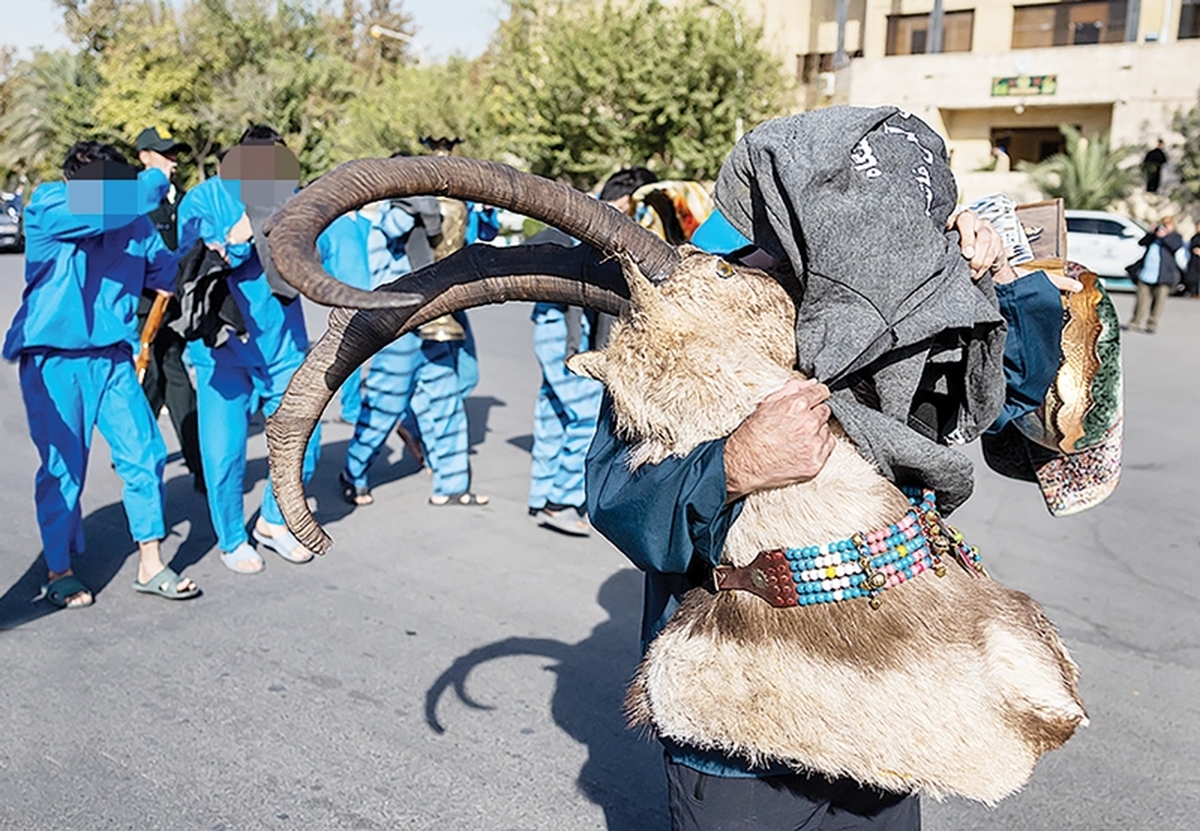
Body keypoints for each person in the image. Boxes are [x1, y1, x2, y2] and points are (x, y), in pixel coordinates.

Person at [585, 108, 1074, 831]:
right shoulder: (691, 318)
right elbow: (616, 495)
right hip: (744, 725)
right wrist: (734, 464)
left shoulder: (914, 310)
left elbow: (1032, 415)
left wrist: (1003, 279)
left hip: (888, 699)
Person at [4, 141, 200, 608]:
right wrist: (153, 176)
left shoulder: (133, 221)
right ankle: (59, 570)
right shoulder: (50, 204)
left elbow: (163, 274)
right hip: (54, 361)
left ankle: (150, 562)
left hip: (111, 358)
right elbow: (118, 206)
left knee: (145, 453)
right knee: (63, 467)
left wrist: (202, 241)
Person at [177, 124, 320, 573]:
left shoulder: (291, 195)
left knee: (304, 444)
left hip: (282, 346)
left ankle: (274, 523)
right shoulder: (205, 198)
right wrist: (240, 235)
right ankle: (232, 538)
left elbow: (319, 255)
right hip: (223, 350)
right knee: (224, 457)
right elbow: (189, 264)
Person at [525, 167, 658, 536]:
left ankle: (541, 494)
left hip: (557, 323)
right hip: (562, 325)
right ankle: (560, 502)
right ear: (629, 200)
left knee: (553, 409)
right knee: (584, 414)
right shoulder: (596, 222)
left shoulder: (591, 215)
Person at [339, 192, 488, 507]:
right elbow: (398, 225)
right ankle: (353, 474)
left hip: (433, 324)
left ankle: (451, 485)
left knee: (447, 405)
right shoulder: (390, 217)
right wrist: (422, 203)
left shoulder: (431, 215)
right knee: (382, 408)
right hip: (397, 329)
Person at [133, 126, 204, 492]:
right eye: (164, 154)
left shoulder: (182, 199)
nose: (172, 162)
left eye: (174, 155)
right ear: (144, 156)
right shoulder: (134, 198)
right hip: (146, 306)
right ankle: (197, 463)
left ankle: (135, 447)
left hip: (174, 304)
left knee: (163, 377)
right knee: (166, 375)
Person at [317, 208, 374, 424]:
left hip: (360, 299)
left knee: (353, 357)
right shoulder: (359, 223)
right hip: (362, 299)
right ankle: (354, 408)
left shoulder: (341, 226)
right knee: (357, 357)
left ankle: (353, 409)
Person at [1125, 214, 1184, 333]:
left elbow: (1175, 247)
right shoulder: (1154, 237)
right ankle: (1135, 322)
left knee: (1158, 302)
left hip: (1163, 276)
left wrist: (1165, 236)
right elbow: (1142, 243)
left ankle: (1151, 324)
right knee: (1141, 301)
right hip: (1146, 273)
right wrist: (1151, 233)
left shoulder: (1175, 237)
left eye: (1167, 225)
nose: (1163, 227)